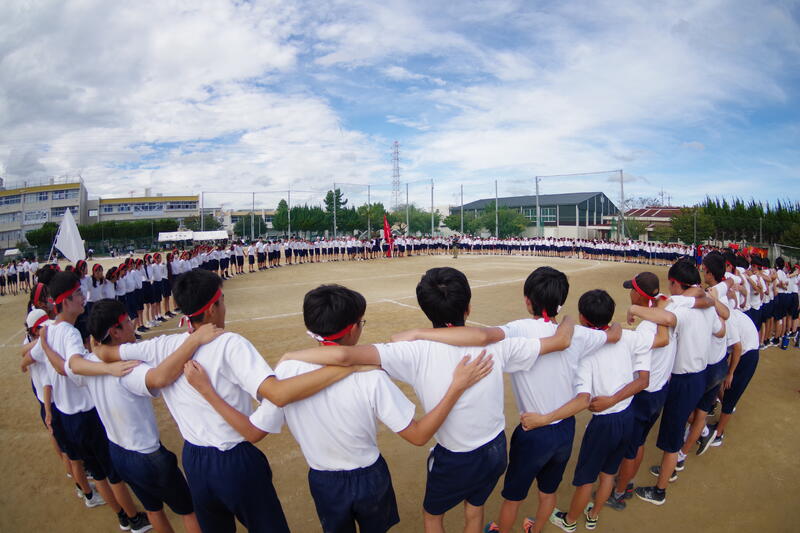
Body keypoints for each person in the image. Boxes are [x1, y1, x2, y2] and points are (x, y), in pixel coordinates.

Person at [281, 267, 575, 533]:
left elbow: (346, 355)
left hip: (456, 456)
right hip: (495, 448)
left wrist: (293, 355)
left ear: (425, 309)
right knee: (475, 508)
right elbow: (560, 340)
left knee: (433, 515)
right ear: (468, 308)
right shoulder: (501, 346)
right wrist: (568, 317)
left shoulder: (413, 351)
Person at [185, 283, 493, 532]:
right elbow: (418, 435)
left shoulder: (286, 373)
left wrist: (207, 391)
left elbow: (253, 432)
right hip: (370, 478)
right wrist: (456, 387)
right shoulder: (371, 376)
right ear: (353, 329)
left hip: (324, 481)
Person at [97, 269, 368, 533]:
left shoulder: (161, 346)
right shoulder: (230, 344)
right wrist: (346, 366)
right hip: (234, 460)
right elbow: (276, 393)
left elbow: (104, 352)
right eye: (222, 300)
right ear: (212, 308)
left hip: (194, 460)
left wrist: (189, 342)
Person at [64, 298, 221, 533]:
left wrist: (96, 351)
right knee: (188, 510)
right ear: (115, 331)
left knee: (153, 509)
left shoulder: (88, 363)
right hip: (147, 454)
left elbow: (71, 365)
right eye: (128, 321)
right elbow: (160, 377)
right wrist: (194, 340)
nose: (133, 323)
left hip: (118, 451)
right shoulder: (128, 367)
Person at [25, 272, 149, 531]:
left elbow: (27, 359)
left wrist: (43, 348)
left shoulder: (49, 330)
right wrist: (108, 368)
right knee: (113, 473)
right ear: (66, 301)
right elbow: (72, 366)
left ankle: (122, 516)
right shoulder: (69, 333)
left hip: (66, 414)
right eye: (78, 294)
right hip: (86, 414)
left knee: (98, 472)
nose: (83, 298)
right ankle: (135, 519)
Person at [549, 289, 665, 532]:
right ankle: (593, 515)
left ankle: (570, 520)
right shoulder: (630, 338)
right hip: (627, 415)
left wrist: (609, 400)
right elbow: (643, 380)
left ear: (582, 317)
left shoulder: (585, 353)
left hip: (603, 423)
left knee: (586, 478)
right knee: (608, 473)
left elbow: (584, 398)